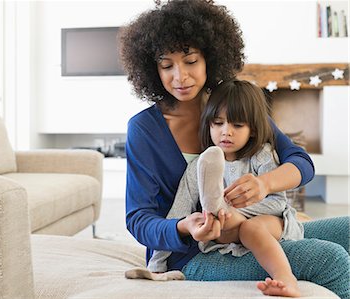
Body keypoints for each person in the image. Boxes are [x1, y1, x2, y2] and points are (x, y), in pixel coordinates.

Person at [118, 0, 350, 298]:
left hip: (258, 231)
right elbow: (139, 218)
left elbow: (300, 162)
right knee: (329, 259)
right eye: (166, 65)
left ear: (210, 58)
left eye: (190, 61)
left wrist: (264, 184)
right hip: (193, 255)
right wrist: (184, 227)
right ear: (152, 68)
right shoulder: (145, 129)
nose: (180, 77)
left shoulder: (234, 107)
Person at [146, 79, 304, 297]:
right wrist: (156, 264)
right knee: (214, 223)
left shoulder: (261, 156)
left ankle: (287, 279)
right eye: (218, 123)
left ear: (253, 130)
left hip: (270, 223)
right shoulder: (198, 167)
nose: (226, 132)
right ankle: (219, 210)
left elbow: (278, 203)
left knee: (249, 227)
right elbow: (177, 214)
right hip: (226, 232)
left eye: (237, 125)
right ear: (208, 124)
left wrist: (236, 212)